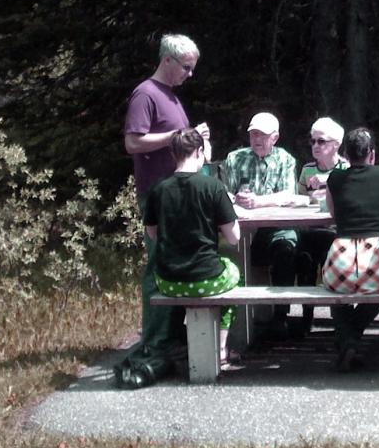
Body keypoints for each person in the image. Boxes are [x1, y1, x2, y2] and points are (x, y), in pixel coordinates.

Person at [115, 129, 241, 388]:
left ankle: (179, 342)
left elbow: (152, 233)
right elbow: (234, 238)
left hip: (168, 279)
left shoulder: (159, 189)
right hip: (204, 277)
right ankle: (220, 349)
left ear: (173, 154)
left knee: (193, 282)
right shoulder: (213, 187)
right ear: (199, 152)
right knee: (234, 275)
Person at [121, 33, 209, 384]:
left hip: (179, 192)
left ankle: (171, 338)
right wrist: (176, 137)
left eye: (192, 68)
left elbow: (178, 137)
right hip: (158, 195)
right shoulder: (146, 94)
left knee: (176, 264)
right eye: (186, 67)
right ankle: (154, 340)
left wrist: (192, 136)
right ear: (168, 61)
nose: (190, 74)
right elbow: (132, 142)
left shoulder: (171, 95)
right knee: (158, 262)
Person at [322, 127, 379, 370]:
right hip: (377, 257)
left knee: (337, 294)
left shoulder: (335, 178)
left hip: (342, 259)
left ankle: (348, 339)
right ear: (372, 154)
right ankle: (352, 337)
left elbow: (334, 214)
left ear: (345, 155)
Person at [224, 112, 300, 336]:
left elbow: (288, 195)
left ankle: (280, 315)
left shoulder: (286, 159)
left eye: (262, 135)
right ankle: (240, 322)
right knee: (232, 252)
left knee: (287, 246)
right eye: (253, 134)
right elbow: (224, 192)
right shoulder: (234, 158)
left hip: (277, 226)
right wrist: (236, 198)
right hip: (242, 227)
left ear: (274, 138)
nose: (256, 139)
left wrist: (259, 202)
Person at [294, 117, 349, 335]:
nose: (316, 146)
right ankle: (306, 318)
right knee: (304, 260)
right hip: (310, 229)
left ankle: (340, 321)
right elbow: (298, 200)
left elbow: (348, 198)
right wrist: (308, 196)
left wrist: (325, 189)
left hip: (336, 232)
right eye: (313, 141)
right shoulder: (307, 169)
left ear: (336, 144)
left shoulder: (346, 167)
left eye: (321, 141)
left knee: (333, 262)